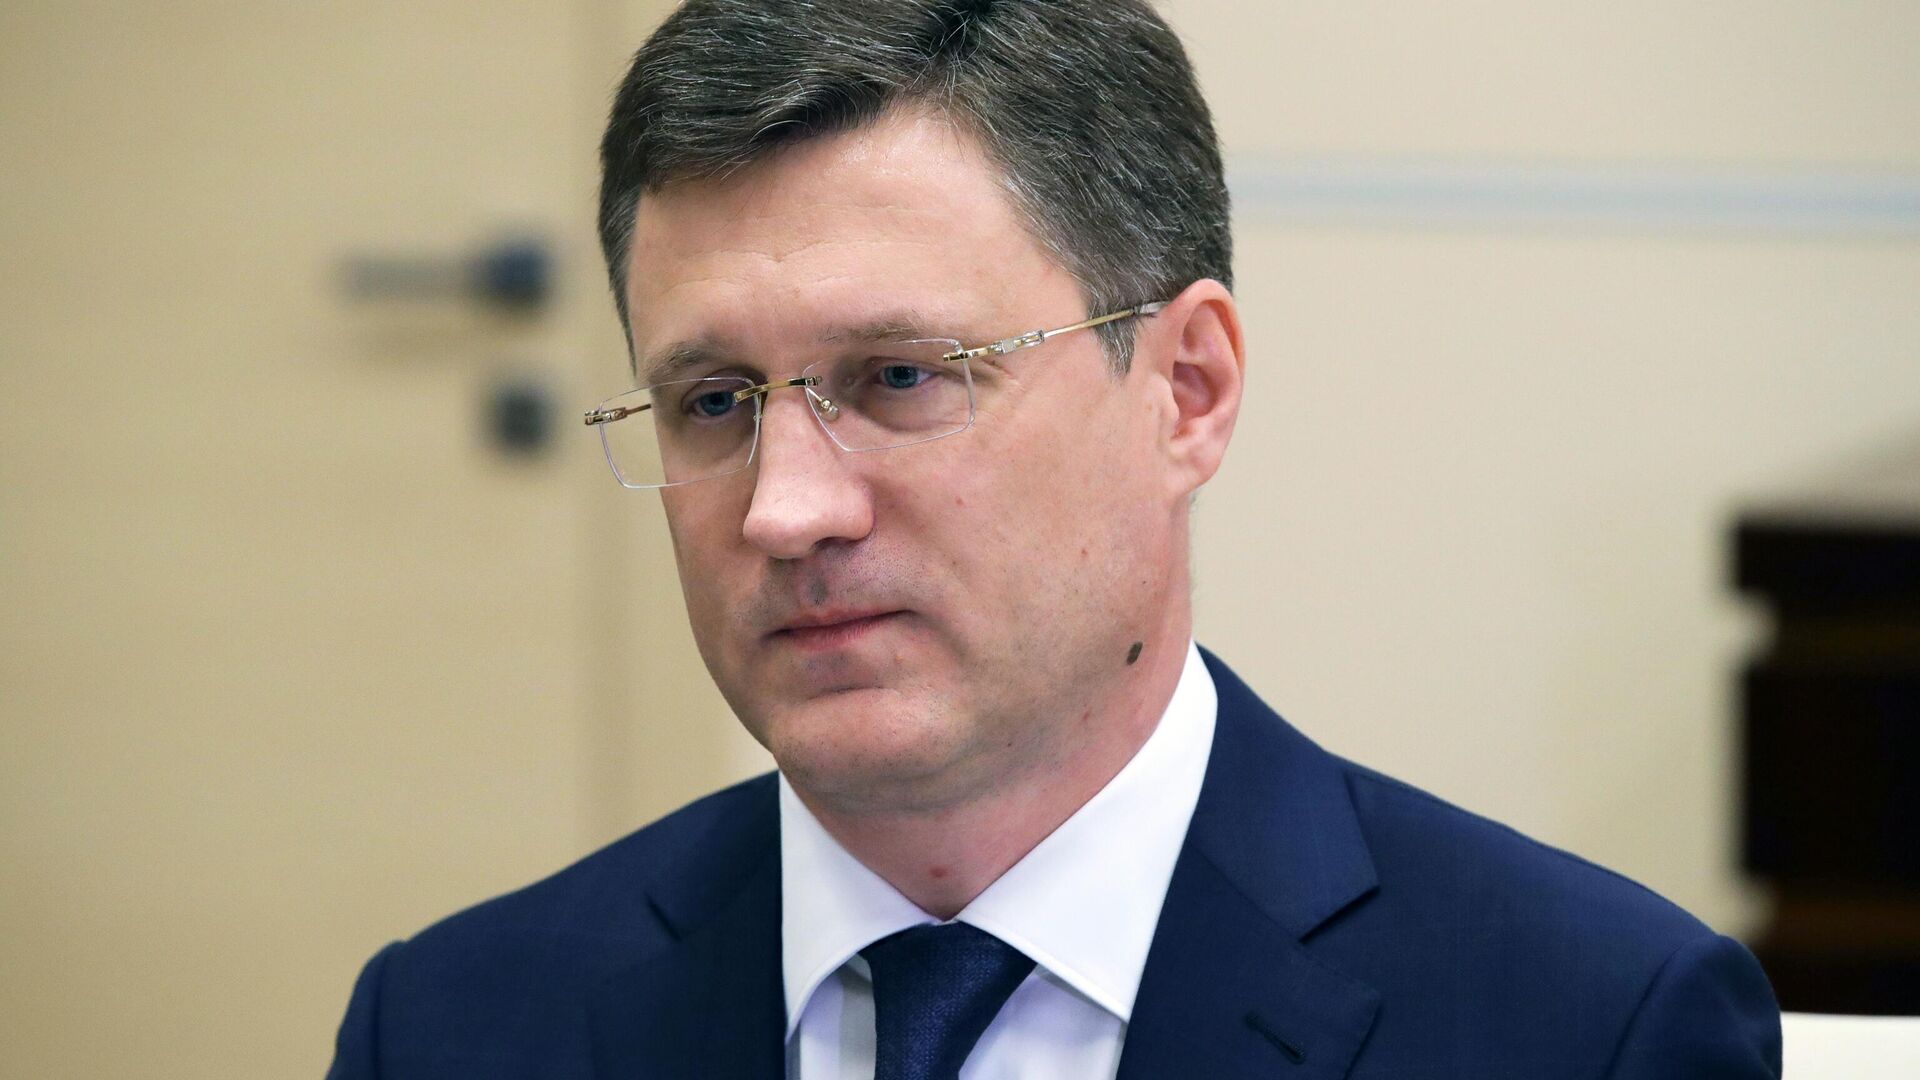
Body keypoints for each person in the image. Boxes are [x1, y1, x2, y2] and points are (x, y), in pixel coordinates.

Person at [327, 1, 1783, 1076]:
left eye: (901, 378)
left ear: (1185, 392)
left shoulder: (1583, 1025)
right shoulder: (455, 1027)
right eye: (713, 403)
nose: (785, 509)